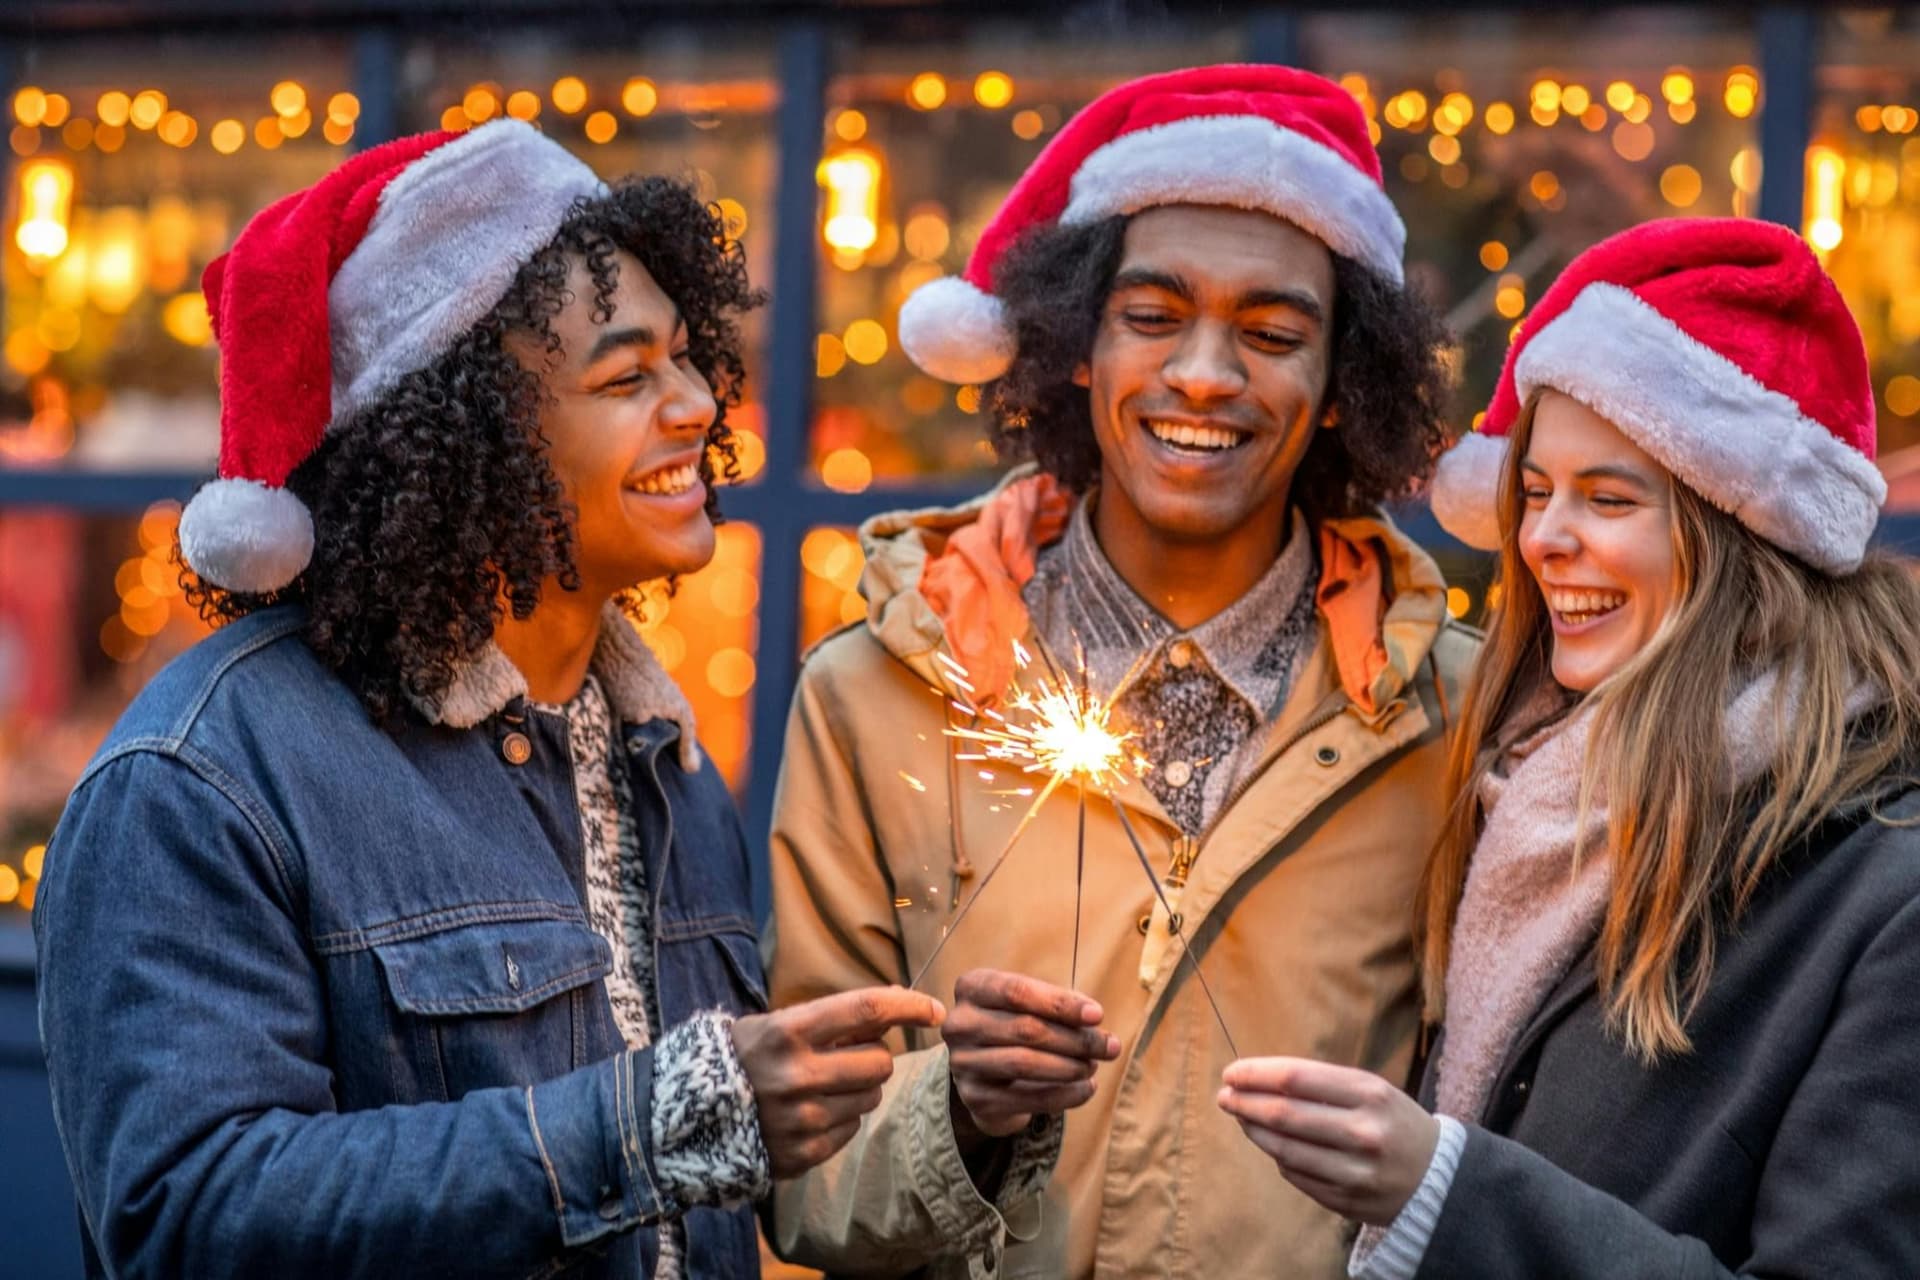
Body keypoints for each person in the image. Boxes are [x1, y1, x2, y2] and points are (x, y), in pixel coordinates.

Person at [32, 119, 941, 1280]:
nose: (699, 404)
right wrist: (646, 1121)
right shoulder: (200, 778)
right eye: (627, 375)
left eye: (685, 355)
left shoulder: (664, 760)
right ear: (466, 447)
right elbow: (187, 1218)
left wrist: (966, 1115)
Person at [764, 66, 1471, 1277]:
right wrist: (961, 1115)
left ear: (1340, 387)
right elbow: (798, 1186)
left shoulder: (1454, 718)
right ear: (1074, 349)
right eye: (1152, 316)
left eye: (1273, 333)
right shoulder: (870, 695)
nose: (1203, 373)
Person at [1218, 217, 1920, 1278]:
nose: (1541, 537)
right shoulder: (1524, 792)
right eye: (1536, 492)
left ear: (1746, 537)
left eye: (1609, 497)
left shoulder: (1884, 892)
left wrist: (1447, 1195)